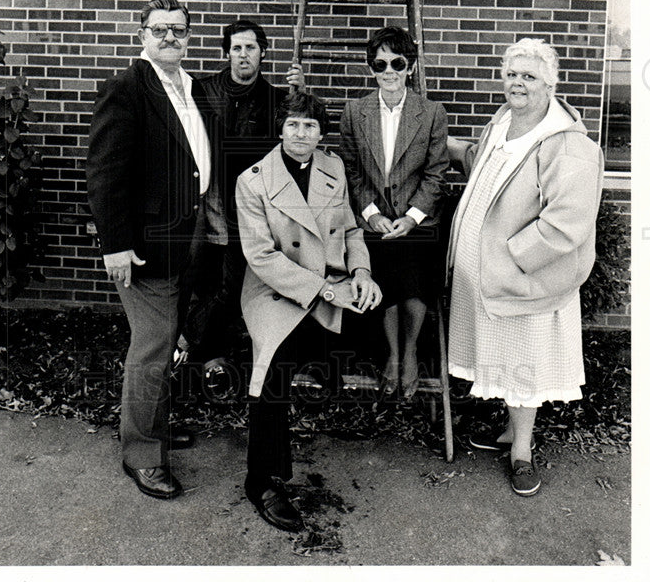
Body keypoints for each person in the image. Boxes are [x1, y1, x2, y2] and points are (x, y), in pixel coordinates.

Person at [446, 38, 603, 497]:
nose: (518, 83)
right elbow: (485, 168)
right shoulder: (504, 121)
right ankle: (509, 431)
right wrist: (445, 146)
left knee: (526, 364)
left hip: (524, 278)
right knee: (505, 357)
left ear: (550, 84)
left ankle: (523, 452)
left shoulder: (568, 144)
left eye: (529, 76)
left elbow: (566, 223)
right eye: (512, 74)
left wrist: (514, 256)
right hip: (487, 275)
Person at [86, 0, 226, 500]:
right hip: (143, 247)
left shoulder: (190, 88)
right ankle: (142, 451)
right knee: (151, 349)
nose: (171, 37)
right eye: (160, 29)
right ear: (141, 34)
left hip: (185, 239)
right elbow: (104, 173)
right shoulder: (126, 89)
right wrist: (115, 245)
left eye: (180, 30)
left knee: (166, 342)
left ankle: (157, 429)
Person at [236, 92, 382, 531]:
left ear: (321, 133)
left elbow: (353, 229)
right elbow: (261, 258)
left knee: (381, 319)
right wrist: (323, 291)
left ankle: (327, 381)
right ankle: (262, 479)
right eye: (294, 125)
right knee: (274, 367)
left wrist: (361, 272)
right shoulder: (254, 181)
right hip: (276, 293)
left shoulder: (332, 167)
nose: (302, 134)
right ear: (280, 129)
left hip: (333, 286)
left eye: (311, 126)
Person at [176, 21, 305, 385]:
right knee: (202, 282)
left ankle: (183, 341)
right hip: (208, 204)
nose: (243, 55)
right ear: (226, 53)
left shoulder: (277, 99)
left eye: (250, 48)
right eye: (236, 48)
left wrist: (299, 94)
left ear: (263, 52)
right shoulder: (202, 91)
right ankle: (209, 359)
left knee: (232, 287)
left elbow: (295, 136)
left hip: (250, 209)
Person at [339, 27, 449, 400]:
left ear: (410, 67)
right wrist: (371, 214)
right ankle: (392, 355)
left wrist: (413, 216)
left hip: (419, 222)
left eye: (397, 63)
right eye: (380, 63)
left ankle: (411, 352)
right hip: (376, 221)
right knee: (384, 277)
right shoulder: (355, 112)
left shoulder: (431, 112)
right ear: (371, 68)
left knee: (415, 281)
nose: (389, 71)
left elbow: (436, 172)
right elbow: (351, 171)